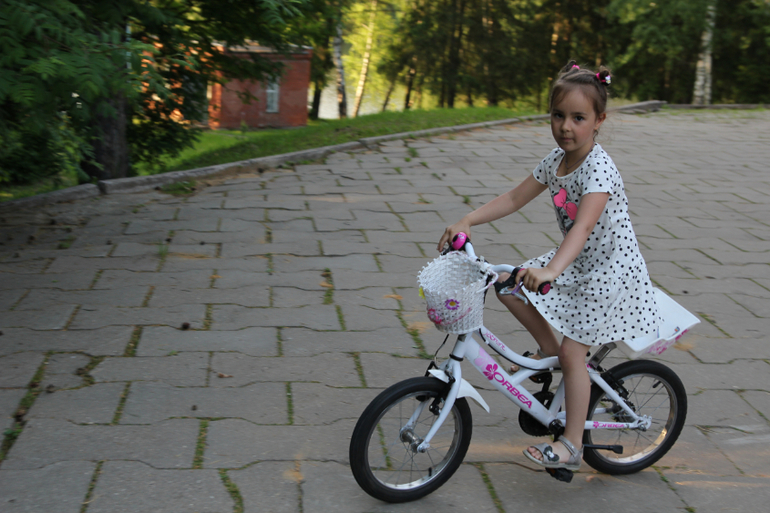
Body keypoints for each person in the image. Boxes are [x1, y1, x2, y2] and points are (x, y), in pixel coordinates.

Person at [436, 60, 660, 472]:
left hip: (610, 273)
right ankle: (547, 351)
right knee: (506, 283)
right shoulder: (556, 160)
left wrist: (552, 270)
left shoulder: (599, 169)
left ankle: (572, 445)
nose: (565, 127)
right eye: (558, 115)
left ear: (599, 121)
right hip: (577, 262)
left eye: (578, 118)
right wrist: (468, 220)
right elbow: (514, 198)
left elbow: (583, 227)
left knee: (575, 354)